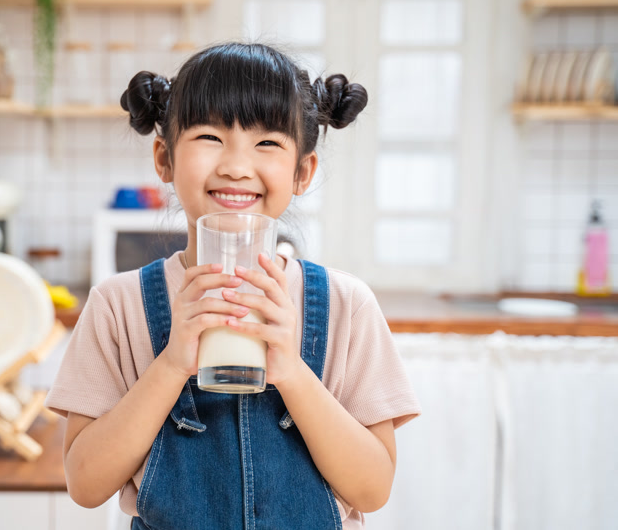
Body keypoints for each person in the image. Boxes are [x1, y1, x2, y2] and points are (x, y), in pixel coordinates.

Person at [44, 42, 422, 530]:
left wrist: (291, 371)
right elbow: (85, 484)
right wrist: (171, 364)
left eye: (267, 143)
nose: (237, 166)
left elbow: (372, 489)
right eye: (208, 136)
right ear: (165, 159)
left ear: (302, 170)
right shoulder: (118, 306)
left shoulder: (347, 306)